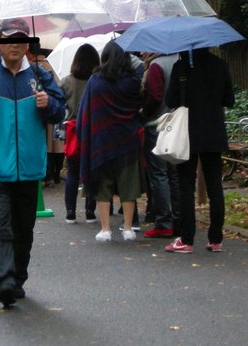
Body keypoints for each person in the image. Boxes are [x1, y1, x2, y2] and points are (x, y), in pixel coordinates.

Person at [0, 18, 65, 307]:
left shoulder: (41, 76)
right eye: (8, 40)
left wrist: (48, 105)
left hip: (29, 168)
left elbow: (59, 112)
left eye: (20, 39)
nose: (14, 45)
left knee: (24, 228)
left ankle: (17, 278)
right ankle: (2, 281)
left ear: (28, 44)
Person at [163, 47, 235, 255]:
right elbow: (229, 100)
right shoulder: (220, 65)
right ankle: (216, 238)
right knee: (215, 187)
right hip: (214, 132)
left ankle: (186, 239)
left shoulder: (181, 67)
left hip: (187, 134)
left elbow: (170, 100)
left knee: (186, 186)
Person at [76, 40, 143, 243]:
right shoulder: (133, 81)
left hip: (101, 140)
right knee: (128, 184)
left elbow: (85, 111)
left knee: (102, 184)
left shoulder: (96, 80)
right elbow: (141, 105)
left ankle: (105, 229)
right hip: (128, 140)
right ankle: (129, 228)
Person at [140, 52, 180, 238]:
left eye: (145, 47)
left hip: (157, 124)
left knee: (158, 174)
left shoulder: (157, 65)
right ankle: (179, 219)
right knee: (174, 174)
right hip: (177, 124)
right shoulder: (181, 60)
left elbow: (155, 96)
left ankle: (164, 221)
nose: (141, 52)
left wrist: (142, 113)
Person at [60, 44, 100, 223]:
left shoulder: (67, 81)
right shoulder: (98, 80)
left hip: (73, 130)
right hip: (94, 129)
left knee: (72, 172)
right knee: (92, 171)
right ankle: (90, 210)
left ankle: (70, 211)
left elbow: (60, 105)